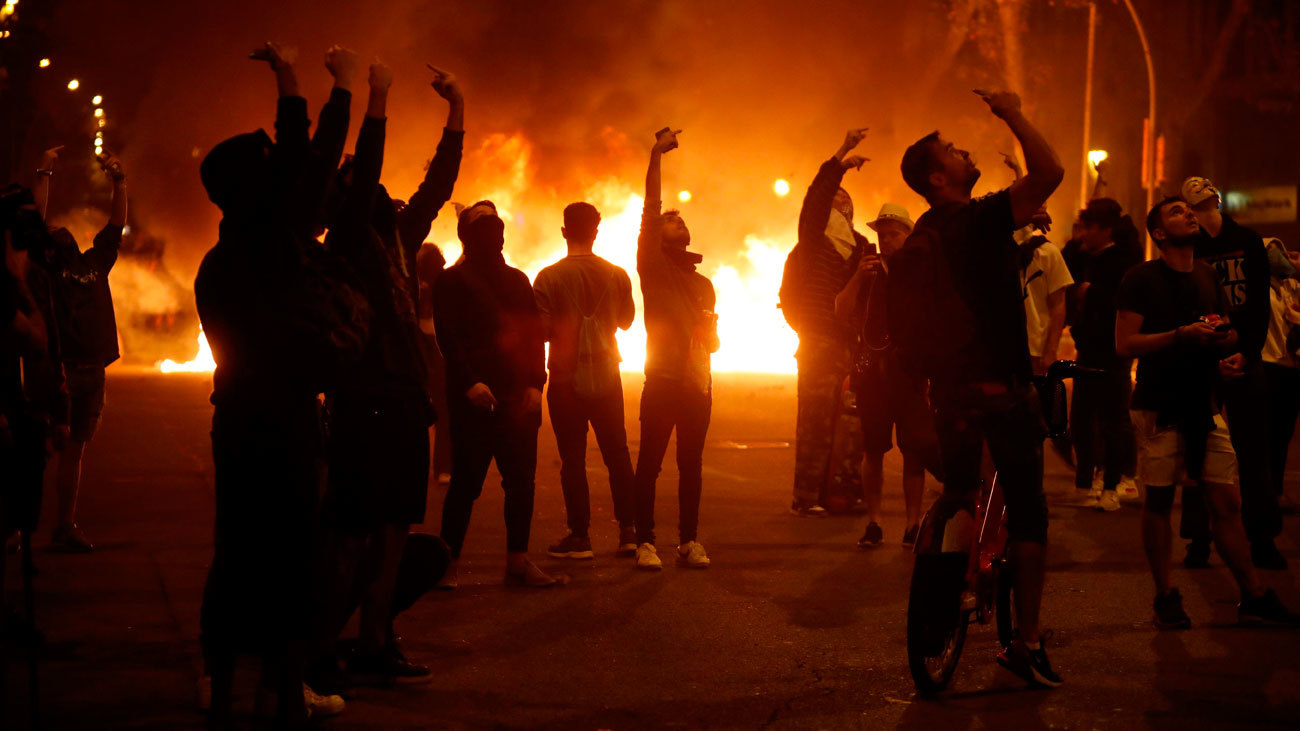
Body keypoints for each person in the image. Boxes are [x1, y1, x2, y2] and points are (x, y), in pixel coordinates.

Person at [195, 43, 364, 723]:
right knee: (293, 559)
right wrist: (329, 86)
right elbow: (310, 157)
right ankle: (283, 692)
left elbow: (299, 162)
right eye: (267, 164)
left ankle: (227, 687)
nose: (281, 169)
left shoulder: (221, 258)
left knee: (237, 552)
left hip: (236, 417)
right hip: (284, 419)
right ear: (252, 185)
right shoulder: (271, 244)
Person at [896, 90, 1064, 687]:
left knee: (960, 491)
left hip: (950, 395)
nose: (965, 152)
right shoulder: (983, 217)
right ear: (941, 177)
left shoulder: (921, 236)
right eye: (954, 151)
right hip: (1002, 389)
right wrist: (1014, 112)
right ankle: (1028, 641)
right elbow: (1051, 172)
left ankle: (945, 574)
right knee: (1030, 515)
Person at [1116, 196, 1298, 629]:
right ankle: (1165, 596)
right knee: (1159, 502)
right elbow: (1125, 344)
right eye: (1176, 212)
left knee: (1227, 502)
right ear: (1158, 233)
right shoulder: (1140, 278)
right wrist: (1179, 335)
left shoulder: (1206, 274)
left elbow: (1226, 328)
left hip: (1205, 402)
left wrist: (1230, 349)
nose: (1188, 214)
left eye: (1189, 210)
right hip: (1159, 404)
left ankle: (1253, 594)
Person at [433, 200, 554, 587]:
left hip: (519, 399)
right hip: (474, 402)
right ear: (468, 236)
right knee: (466, 484)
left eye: (497, 227)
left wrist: (537, 383)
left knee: (520, 482)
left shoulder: (518, 280)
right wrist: (470, 383)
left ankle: (518, 562)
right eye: (484, 227)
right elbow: (449, 338)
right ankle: (447, 563)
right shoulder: (451, 282)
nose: (495, 235)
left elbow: (535, 336)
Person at [1182, 176, 1284, 570]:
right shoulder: (1189, 248)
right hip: (1202, 361)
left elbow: (1259, 305)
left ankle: (1261, 539)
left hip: (1243, 357)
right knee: (1199, 452)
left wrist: (1246, 353)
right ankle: (1199, 539)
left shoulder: (1248, 241)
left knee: (1253, 451)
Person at [28, 147, 127, 553]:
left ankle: (64, 526)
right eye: (53, 232)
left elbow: (116, 224)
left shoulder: (94, 263)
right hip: (61, 372)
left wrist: (120, 182)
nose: (60, 230)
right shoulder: (48, 269)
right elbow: (34, 223)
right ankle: (18, 530)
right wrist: (44, 171)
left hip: (93, 370)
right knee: (38, 450)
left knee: (75, 452)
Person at [632, 127, 719, 570]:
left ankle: (689, 540)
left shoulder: (704, 284)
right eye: (671, 219)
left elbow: (714, 343)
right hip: (663, 378)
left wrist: (710, 333)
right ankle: (644, 541)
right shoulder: (653, 266)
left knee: (692, 465)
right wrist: (655, 156)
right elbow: (648, 210)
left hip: (697, 383)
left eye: (681, 219)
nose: (677, 221)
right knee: (650, 464)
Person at [534, 202, 638, 559]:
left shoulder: (547, 277)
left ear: (564, 231)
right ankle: (629, 532)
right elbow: (626, 321)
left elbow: (542, 330)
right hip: (608, 374)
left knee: (573, 458)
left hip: (565, 379)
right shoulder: (617, 274)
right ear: (595, 232)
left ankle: (580, 537)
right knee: (617, 454)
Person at [833, 202, 937, 547]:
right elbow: (840, 309)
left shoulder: (920, 272)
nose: (888, 240)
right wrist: (858, 276)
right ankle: (874, 522)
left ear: (909, 236)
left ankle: (911, 524)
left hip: (909, 372)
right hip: (872, 372)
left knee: (915, 450)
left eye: (894, 233)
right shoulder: (869, 273)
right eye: (883, 234)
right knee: (873, 449)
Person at [781, 129, 867, 516]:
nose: (839, 201)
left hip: (850, 343)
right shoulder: (814, 240)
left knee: (849, 420)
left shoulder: (861, 246)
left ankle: (840, 492)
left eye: (845, 198)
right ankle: (806, 496)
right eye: (836, 196)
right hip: (818, 340)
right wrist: (842, 155)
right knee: (814, 418)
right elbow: (814, 197)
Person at [1070, 198, 1142, 511]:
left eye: (1088, 227)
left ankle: (1117, 481)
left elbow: (1114, 301)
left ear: (1106, 230)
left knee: (1114, 417)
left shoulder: (1121, 261)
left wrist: (1088, 292)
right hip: (1087, 348)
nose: (1082, 234)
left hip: (1112, 351)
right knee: (1081, 418)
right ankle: (1089, 480)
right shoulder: (1087, 257)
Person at [1259, 239, 1300, 524]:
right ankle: (1263, 494)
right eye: (1271, 250)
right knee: (1264, 434)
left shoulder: (1292, 287)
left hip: (1292, 367)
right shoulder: (1256, 289)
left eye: (1281, 249)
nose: (1279, 255)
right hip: (1266, 365)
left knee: (1283, 434)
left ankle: (1275, 490)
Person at [415, 243, 452, 483]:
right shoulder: (431, 290)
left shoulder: (422, 290)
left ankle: (437, 468)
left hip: (424, 363)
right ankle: (441, 469)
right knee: (442, 417)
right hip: (431, 363)